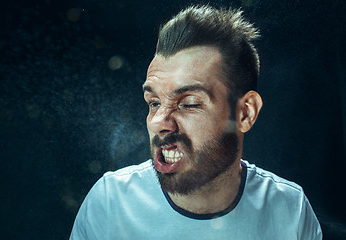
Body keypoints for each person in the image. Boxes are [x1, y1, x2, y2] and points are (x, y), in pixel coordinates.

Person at [70, 5, 322, 240]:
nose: (159, 122)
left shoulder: (290, 211)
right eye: (154, 103)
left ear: (245, 113)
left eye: (189, 104)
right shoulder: (110, 203)